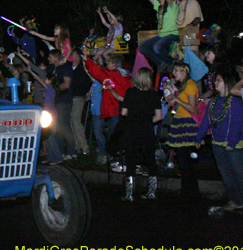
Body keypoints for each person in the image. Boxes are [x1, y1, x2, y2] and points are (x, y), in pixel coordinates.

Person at [197, 68, 243, 213]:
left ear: (227, 83)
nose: (215, 83)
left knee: (240, 174)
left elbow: (237, 124)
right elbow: (207, 120)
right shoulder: (213, 102)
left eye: (219, 80)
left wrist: (231, 143)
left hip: (235, 145)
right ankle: (235, 200)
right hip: (218, 144)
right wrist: (199, 137)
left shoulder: (236, 102)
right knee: (226, 175)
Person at [83, 51, 131, 171]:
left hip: (117, 109)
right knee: (119, 136)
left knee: (117, 137)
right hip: (122, 108)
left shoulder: (113, 75)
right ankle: (119, 160)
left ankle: (121, 162)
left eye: (109, 62)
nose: (106, 63)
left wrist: (87, 61)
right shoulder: (125, 76)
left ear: (114, 65)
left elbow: (99, 72)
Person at [120, 68, 162, 201]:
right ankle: (152, 191)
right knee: (150, 160)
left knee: (131, 160)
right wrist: (148, 121)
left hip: (132, 129)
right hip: (147, 130)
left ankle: (129, 193)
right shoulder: (154, 95)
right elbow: (158, 116)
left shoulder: (131, 92)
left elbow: (124, 113)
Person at [164, 61, 200, 199]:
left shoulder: (190, 84)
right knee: (183, 160)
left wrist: (176, 99)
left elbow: (192, 107)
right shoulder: (185, 85)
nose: (174, 73)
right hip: (180, 122)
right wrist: (173, 98)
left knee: (185, 161)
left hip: (186, 124)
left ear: (184, 72)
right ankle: (188, 191)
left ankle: (190, 193)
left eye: (176, 70)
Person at [131, 0, 179, 71]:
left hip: (172, 35)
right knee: (142, 47)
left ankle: (171, 63)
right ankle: (161, 63)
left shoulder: (172, 7)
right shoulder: (159, 7)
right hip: (162, 36)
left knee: (157, 47)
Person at [47, 50, 76, 160]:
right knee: (58, 128)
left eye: (50, 57)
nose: (48, 59)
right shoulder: (54, 69)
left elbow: (67, 84)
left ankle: (72, 152)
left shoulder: (65, 68)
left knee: (65, 126)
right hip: (56, 101)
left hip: (64, 100)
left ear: (56, 58)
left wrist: (54, 89)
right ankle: (60, 152)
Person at [69, 49, 92, 155]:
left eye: (73, 56)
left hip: (78, 97)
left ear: (78, 57)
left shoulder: (82, 70)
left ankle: (84, 146)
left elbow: (86, 82)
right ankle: (77, 146)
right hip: (70, 98)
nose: (71, 58)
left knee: (75, 120)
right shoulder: (70, 69)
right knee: (71, 121)